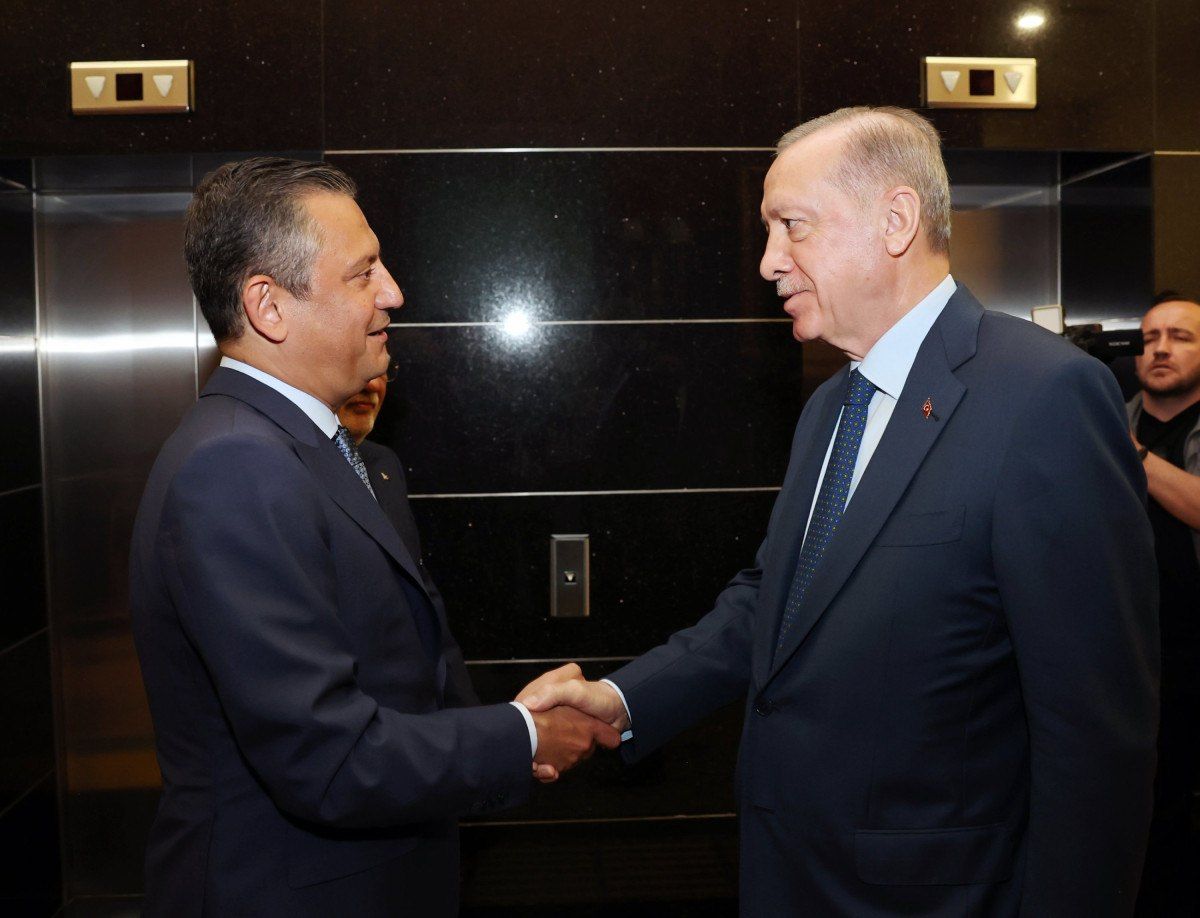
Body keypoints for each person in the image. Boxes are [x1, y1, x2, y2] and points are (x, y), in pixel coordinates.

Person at [520, 107, 1159, 915]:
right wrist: (624, 698)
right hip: (791, 876)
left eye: (792, 226)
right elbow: (776, 601)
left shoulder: (1044, 397)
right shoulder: (831, 405)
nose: (767, 262)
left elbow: (1094, 735)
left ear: (896, 221)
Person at [129, 157, 619, 918]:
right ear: (268, 305)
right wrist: (520, 737)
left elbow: (402, 669)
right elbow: (325, 757)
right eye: (363, 273)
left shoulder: (316, 449)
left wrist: (495, 728)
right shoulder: (237, 466)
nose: (393, 292)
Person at [338, 371, 480, 708]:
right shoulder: (289, 467)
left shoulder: (383, 463)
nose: (371, 385)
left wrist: (469, 715)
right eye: (356, 366)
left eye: (380, 373)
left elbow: (422, 600)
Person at [1128, 293, 1200, 916]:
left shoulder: (1119, 436)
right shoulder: (1109, 415)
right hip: (1125, 653)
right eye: (1150, 338)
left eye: (1180, 336)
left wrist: (1134, 455)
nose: (1160, 349)